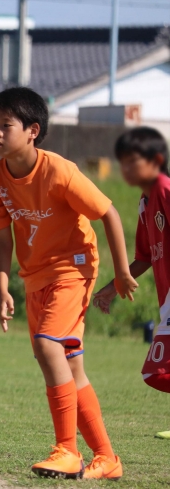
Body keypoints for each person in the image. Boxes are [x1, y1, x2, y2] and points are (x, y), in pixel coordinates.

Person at [0, 87, 138, 480]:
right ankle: (107, 458)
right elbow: (3, 240)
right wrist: (2, 287)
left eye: (6, 125)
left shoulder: (59, 171)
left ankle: (67, 450)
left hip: (74, 267)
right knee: (68, 365)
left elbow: (109, 214)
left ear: (33, 130)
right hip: (35, 275)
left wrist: (122, 272)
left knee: (47, 345)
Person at [93, 127, 170, 440]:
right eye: (122, 162)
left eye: (132, 161)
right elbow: (145, 257)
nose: (125, 168)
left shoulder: (165, 190)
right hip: (166, 301)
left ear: (156, 160)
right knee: (159, 372)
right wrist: (112, 287)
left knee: (158, 371)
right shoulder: (145, 201)